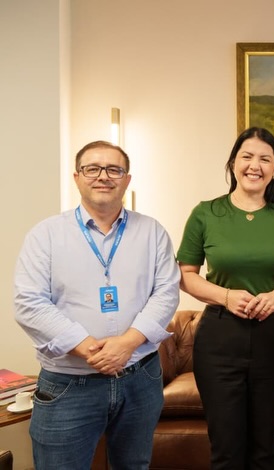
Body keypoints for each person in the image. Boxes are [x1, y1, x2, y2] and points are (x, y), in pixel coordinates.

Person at [14, 140, 181, 469]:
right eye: (92, 168)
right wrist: (91, 349)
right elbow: (29, 303)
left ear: (127, 179)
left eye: (114, 170)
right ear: (77, 177)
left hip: (140, 378)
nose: (103, 176)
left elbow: (166, 292)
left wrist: (126, 344)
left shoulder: (152, 232)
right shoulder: (46, 235)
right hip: (68, 384)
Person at [177, 127, 274, 469]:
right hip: (219, 338)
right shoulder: (206, 213)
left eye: (265, 159)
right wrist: (225, 296)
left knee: (265, 447)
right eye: (247, 156)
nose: (255, 165)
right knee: (226, 448)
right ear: (233, 163)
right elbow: (185, 275)